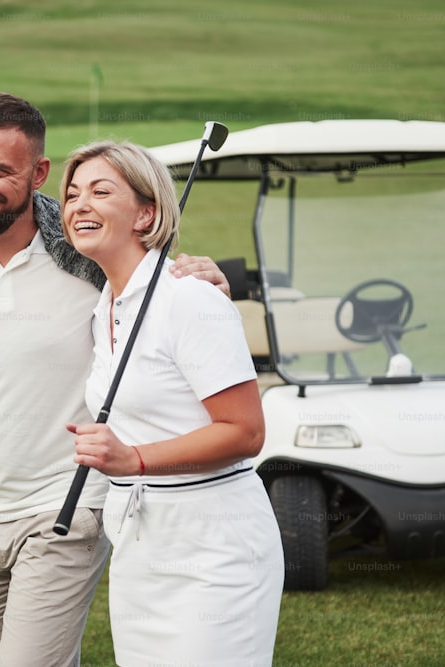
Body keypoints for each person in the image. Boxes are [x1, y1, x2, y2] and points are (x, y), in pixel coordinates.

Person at [0, 93, 231, 667]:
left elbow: (155, 281)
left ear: (38, 174)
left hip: (66, 508)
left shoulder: (87, 254)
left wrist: (202, 272)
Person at [61, 140, 285, 667]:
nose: (78, 205)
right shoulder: (104, 308)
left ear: (147, 213)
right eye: (71, 195)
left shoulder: (190, 298)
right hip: (140, 545)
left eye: (100, 191)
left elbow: (245, 432)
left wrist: (133, 460)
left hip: (215, 549)